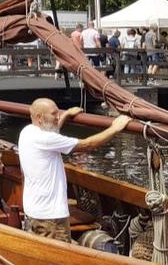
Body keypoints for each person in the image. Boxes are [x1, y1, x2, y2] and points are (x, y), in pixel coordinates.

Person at [18, 98, 131, 242]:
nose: (57, 116)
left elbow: (52, 134)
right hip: (51, 218)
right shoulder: (45, 139)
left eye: (58, 113)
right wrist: (115, 128)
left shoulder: (27, 132)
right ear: (40, 118)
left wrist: (65, 115)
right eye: (54, 114)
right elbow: (87, 145)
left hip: (34, 212)